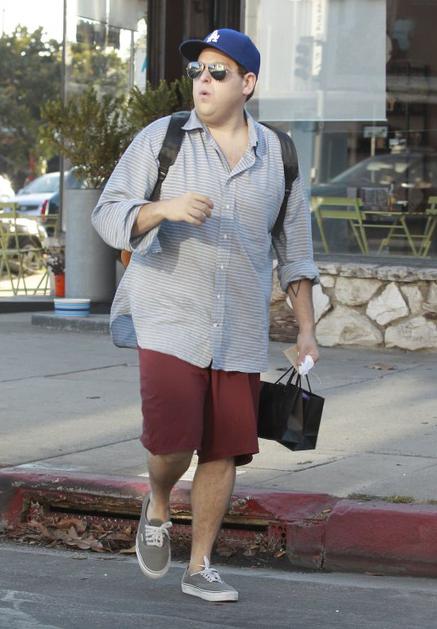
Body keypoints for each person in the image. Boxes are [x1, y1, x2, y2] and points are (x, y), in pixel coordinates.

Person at [91, 27, 319, 603]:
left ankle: (199, 566)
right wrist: (161, 209)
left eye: (218, 72)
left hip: (240, 329)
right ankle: (158, 502)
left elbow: (296, 252)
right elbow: (107, 213)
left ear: (248, 83)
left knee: (223, 450)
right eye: (197, 71)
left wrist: (307, 330)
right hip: (168, 318)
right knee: (171, 445)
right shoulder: (163, 138)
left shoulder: (280, 156)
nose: (203, 81)